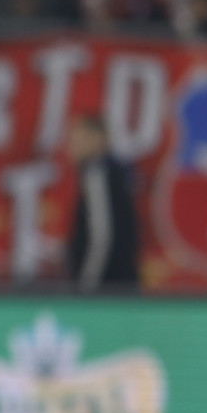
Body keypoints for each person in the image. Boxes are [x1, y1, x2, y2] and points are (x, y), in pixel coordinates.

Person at [66, 114, 140, 291]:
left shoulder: (97, 173)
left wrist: (87, 285)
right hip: (121, 283)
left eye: (77, 139)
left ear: (98, 139)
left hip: (107, 289)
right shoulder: (115, 171)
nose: (71, 146)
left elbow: (101, 237)